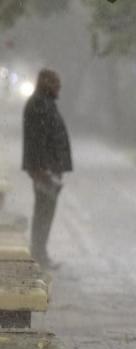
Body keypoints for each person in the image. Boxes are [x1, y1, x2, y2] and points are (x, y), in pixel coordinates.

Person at [22, 69, 72, 269]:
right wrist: (40, 168)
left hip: (49, 167)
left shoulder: (45, 103)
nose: (59, 86)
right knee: (44, 211)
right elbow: (36, 140)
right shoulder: (38, 105)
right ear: (45, 82)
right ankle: (38, 253)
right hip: (44, 169)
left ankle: (40, 252)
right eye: (55, 82)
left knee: (46, 211)